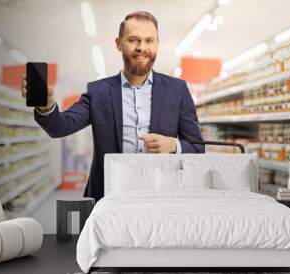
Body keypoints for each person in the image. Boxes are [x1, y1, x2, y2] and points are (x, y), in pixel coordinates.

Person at [21, 11, 205, 202]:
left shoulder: (177, 90)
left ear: (157, 43)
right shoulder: (98, 91)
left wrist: (173, 145)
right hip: (108, 197)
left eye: (149, 40)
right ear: (119, 43)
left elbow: (198, 148)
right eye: (133, 40)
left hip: (160, 198)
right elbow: (60, 127)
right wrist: (46, 105)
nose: (142, 47)